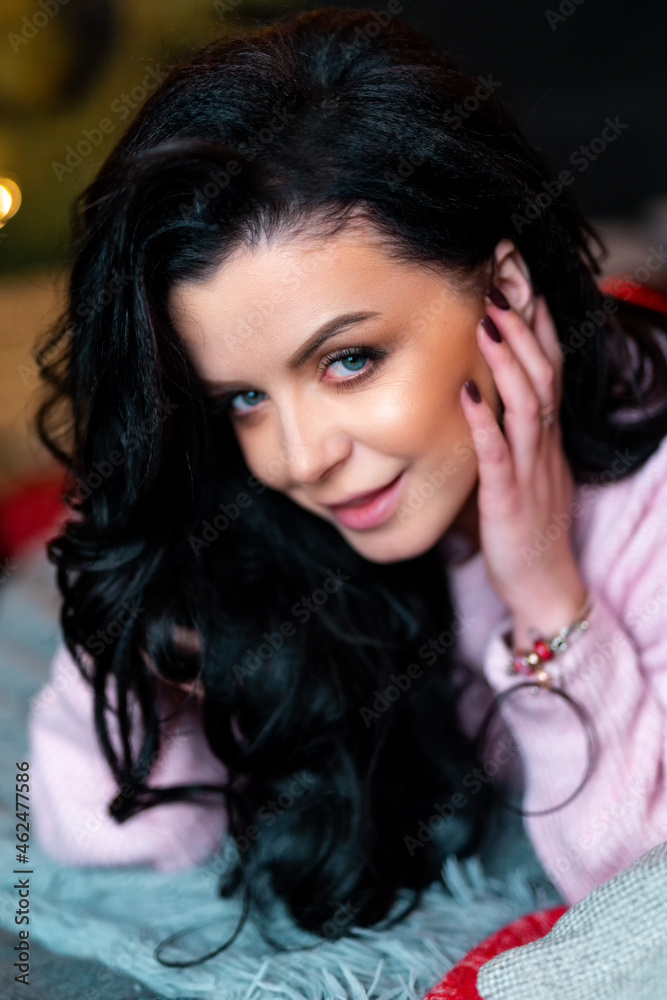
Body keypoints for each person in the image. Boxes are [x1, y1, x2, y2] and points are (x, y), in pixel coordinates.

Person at [27, 4, 667, 952]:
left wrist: (544, 592)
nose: (297, 458)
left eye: (349, 361)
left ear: (504, 294)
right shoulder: (272, 509)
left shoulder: (644, 492)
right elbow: (107, 841)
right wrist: (147, 600)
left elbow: (635, 894)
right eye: (241, 397)